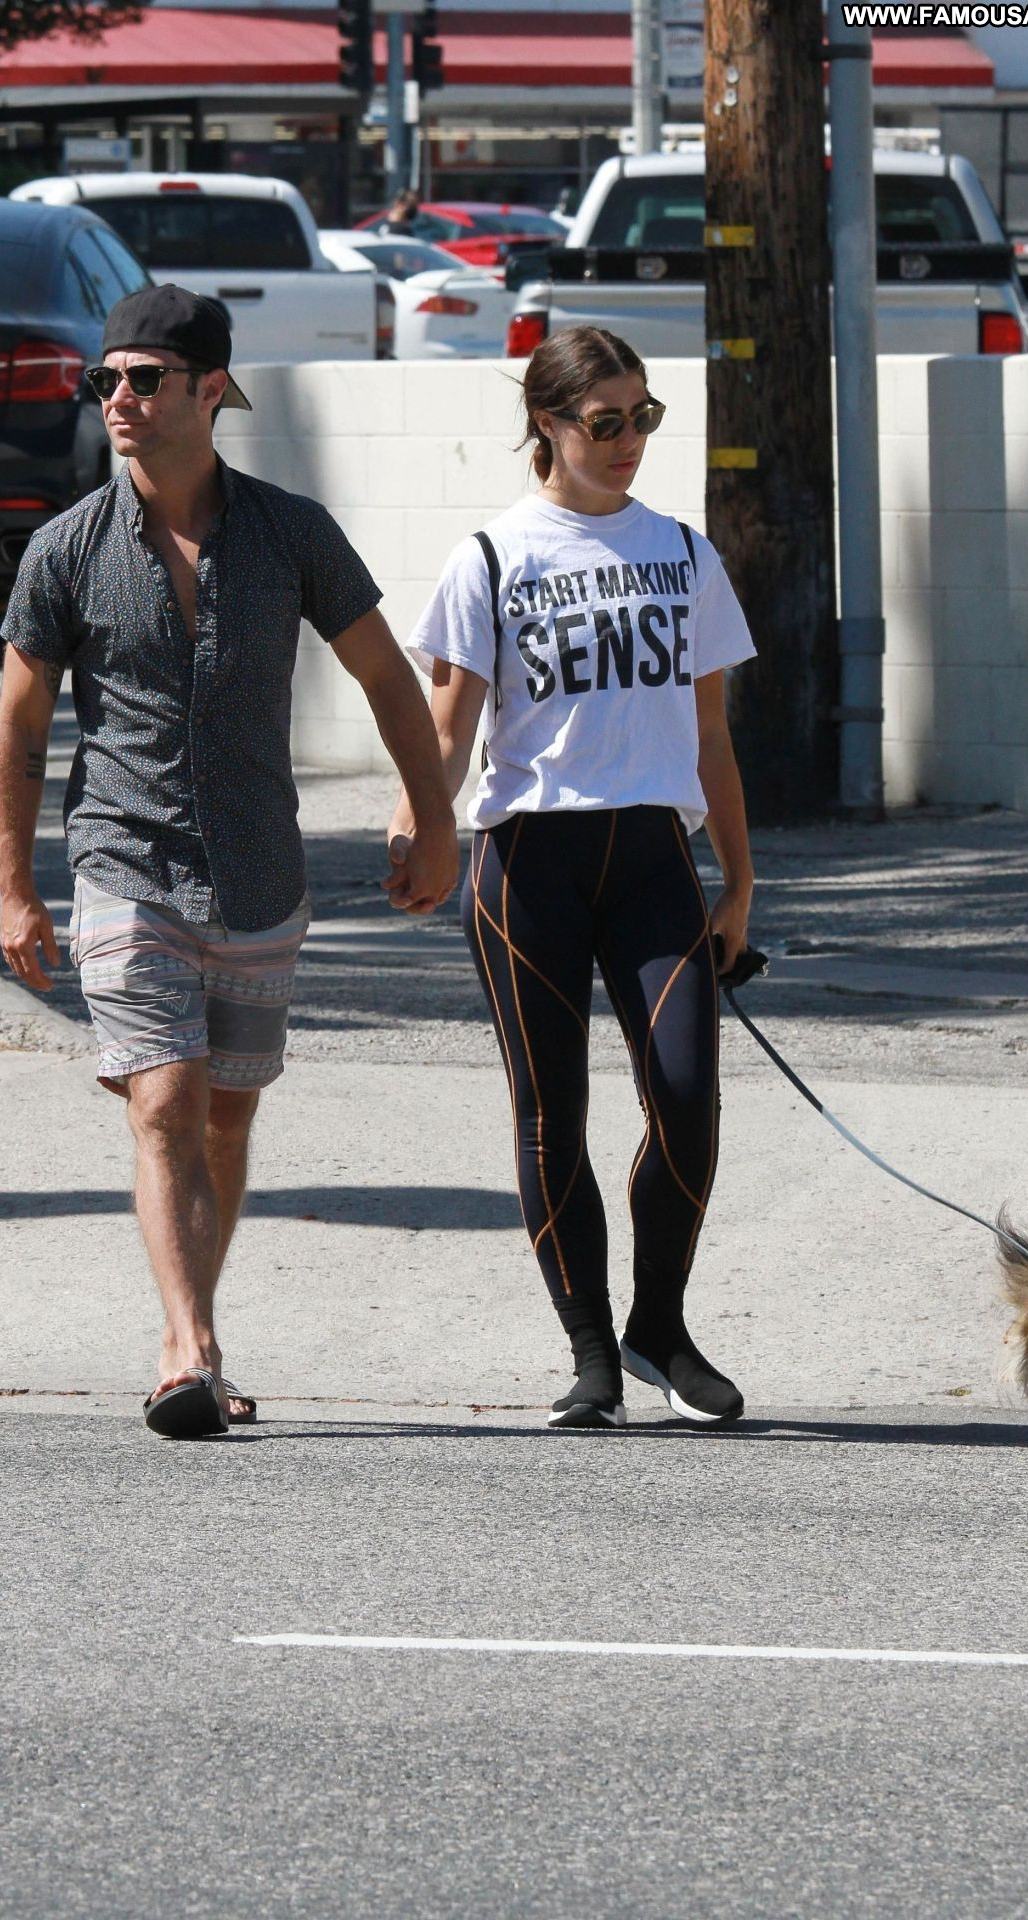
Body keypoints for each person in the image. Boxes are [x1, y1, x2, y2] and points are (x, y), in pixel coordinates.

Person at [0, 284, 459, 1440]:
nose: (118, 399)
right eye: (105, 379)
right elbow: (19, 724)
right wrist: (15, 886)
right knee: (165, 1099)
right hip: (122, 856)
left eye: (144, 379)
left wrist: (434, 816)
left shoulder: (292, 533)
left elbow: (387, 679)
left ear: (211, 389)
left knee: (226, 1119)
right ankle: (185, 1351)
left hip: (258, 869)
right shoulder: (65, 549)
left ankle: (199, 1337)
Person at [394, 325, 757, 1430]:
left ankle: (660, 1328)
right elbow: (448, 734)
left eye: (644, 417)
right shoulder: (491, 558)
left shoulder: (685, 554)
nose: (628, 439)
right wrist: (419, 826)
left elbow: (710, 735)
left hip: (654, 861)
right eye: (605, 421)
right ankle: (592, 1354)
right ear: (547, 426)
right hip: (529, 864)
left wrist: (739, 882)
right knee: (553, 1112)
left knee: (685, 1101)